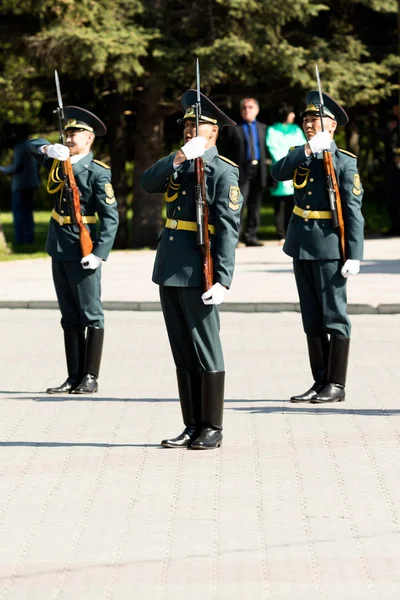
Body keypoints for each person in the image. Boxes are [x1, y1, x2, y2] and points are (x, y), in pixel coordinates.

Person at [141, 89, 242, 450]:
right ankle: (191, 425)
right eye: (185, 125)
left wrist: (224, 279)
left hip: (200, 270)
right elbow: (147, 182)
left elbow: (229, 229)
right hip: (170, 267)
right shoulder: (179, 161)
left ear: (213, 131)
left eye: (196, 124)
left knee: (205, 347)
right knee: (182, 350)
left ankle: (212, 426)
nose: (189, 129)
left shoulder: (222, 171)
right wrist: (180, 157)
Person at [272, 91, 364, 404]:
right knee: (311, 317)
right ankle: (319, 380)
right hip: (301, 244)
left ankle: (336, 384)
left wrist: (354, 254)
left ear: (332, 125)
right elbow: (277, 173)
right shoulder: (301, 153)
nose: (310, 124)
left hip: (329, 246)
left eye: (316, 120)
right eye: (307, 119)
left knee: (334, 316)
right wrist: (308, 150)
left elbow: (353, 211)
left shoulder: (344, 162)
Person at [28, 106, 119, 394]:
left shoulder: (97, 172)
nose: (68, 138)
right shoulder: (57, 162)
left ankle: (90, 376)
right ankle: (73, 376)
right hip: (59, 245)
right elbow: (30, 145)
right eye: (66, 133)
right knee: (68, 315)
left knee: (90, 313)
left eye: (74, 133)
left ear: (89, 138)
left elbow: (111, 216)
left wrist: (99, 253)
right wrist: (47, 149)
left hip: (84, 247)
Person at [219, 97, 267, 246]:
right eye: (244, 108)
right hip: (241, 170)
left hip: (259, 169)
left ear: (257, 110)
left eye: (251, 107)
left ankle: (251, 236)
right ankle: (236, 237)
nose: (247, 110)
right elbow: (226, 151)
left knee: (255, 204)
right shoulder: (233, 128)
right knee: (239, 204)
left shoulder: (264, 128)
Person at [266, 104, 306, 242]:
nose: (294, 115)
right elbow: (273, 148)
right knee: (280, 205)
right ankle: (281, 233)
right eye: (291, 113)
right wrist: (286, 164)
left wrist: (295, 162)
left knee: (294, 203)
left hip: (296, 169)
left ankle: (292, 231)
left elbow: (302, 145)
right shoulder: (272, 130)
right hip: (282, 168)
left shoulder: (296, 129)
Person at [0, 125, 41, 245]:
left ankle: (21, 239)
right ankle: (29, 238)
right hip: (31, 183)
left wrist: (3, 170)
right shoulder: (31, 147)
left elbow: (17, 167)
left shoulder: (20, 147)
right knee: (28, 213)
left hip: (20, 184)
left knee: (19, 213)